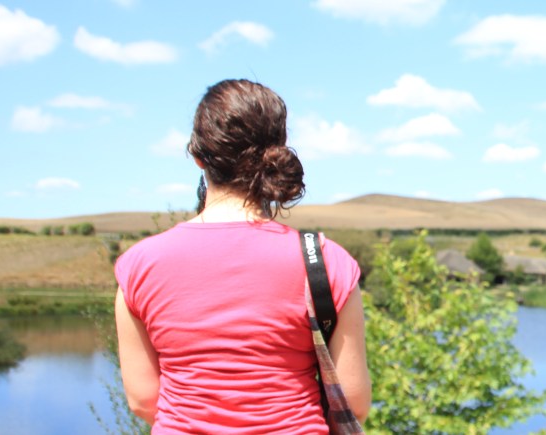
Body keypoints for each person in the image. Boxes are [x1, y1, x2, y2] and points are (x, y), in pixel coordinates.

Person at [114, 79, 371, 434]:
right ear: (277, 153)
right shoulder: (325, 262)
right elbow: (353, 403)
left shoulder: (139, 265)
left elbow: (143, 400)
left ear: (198, 156)